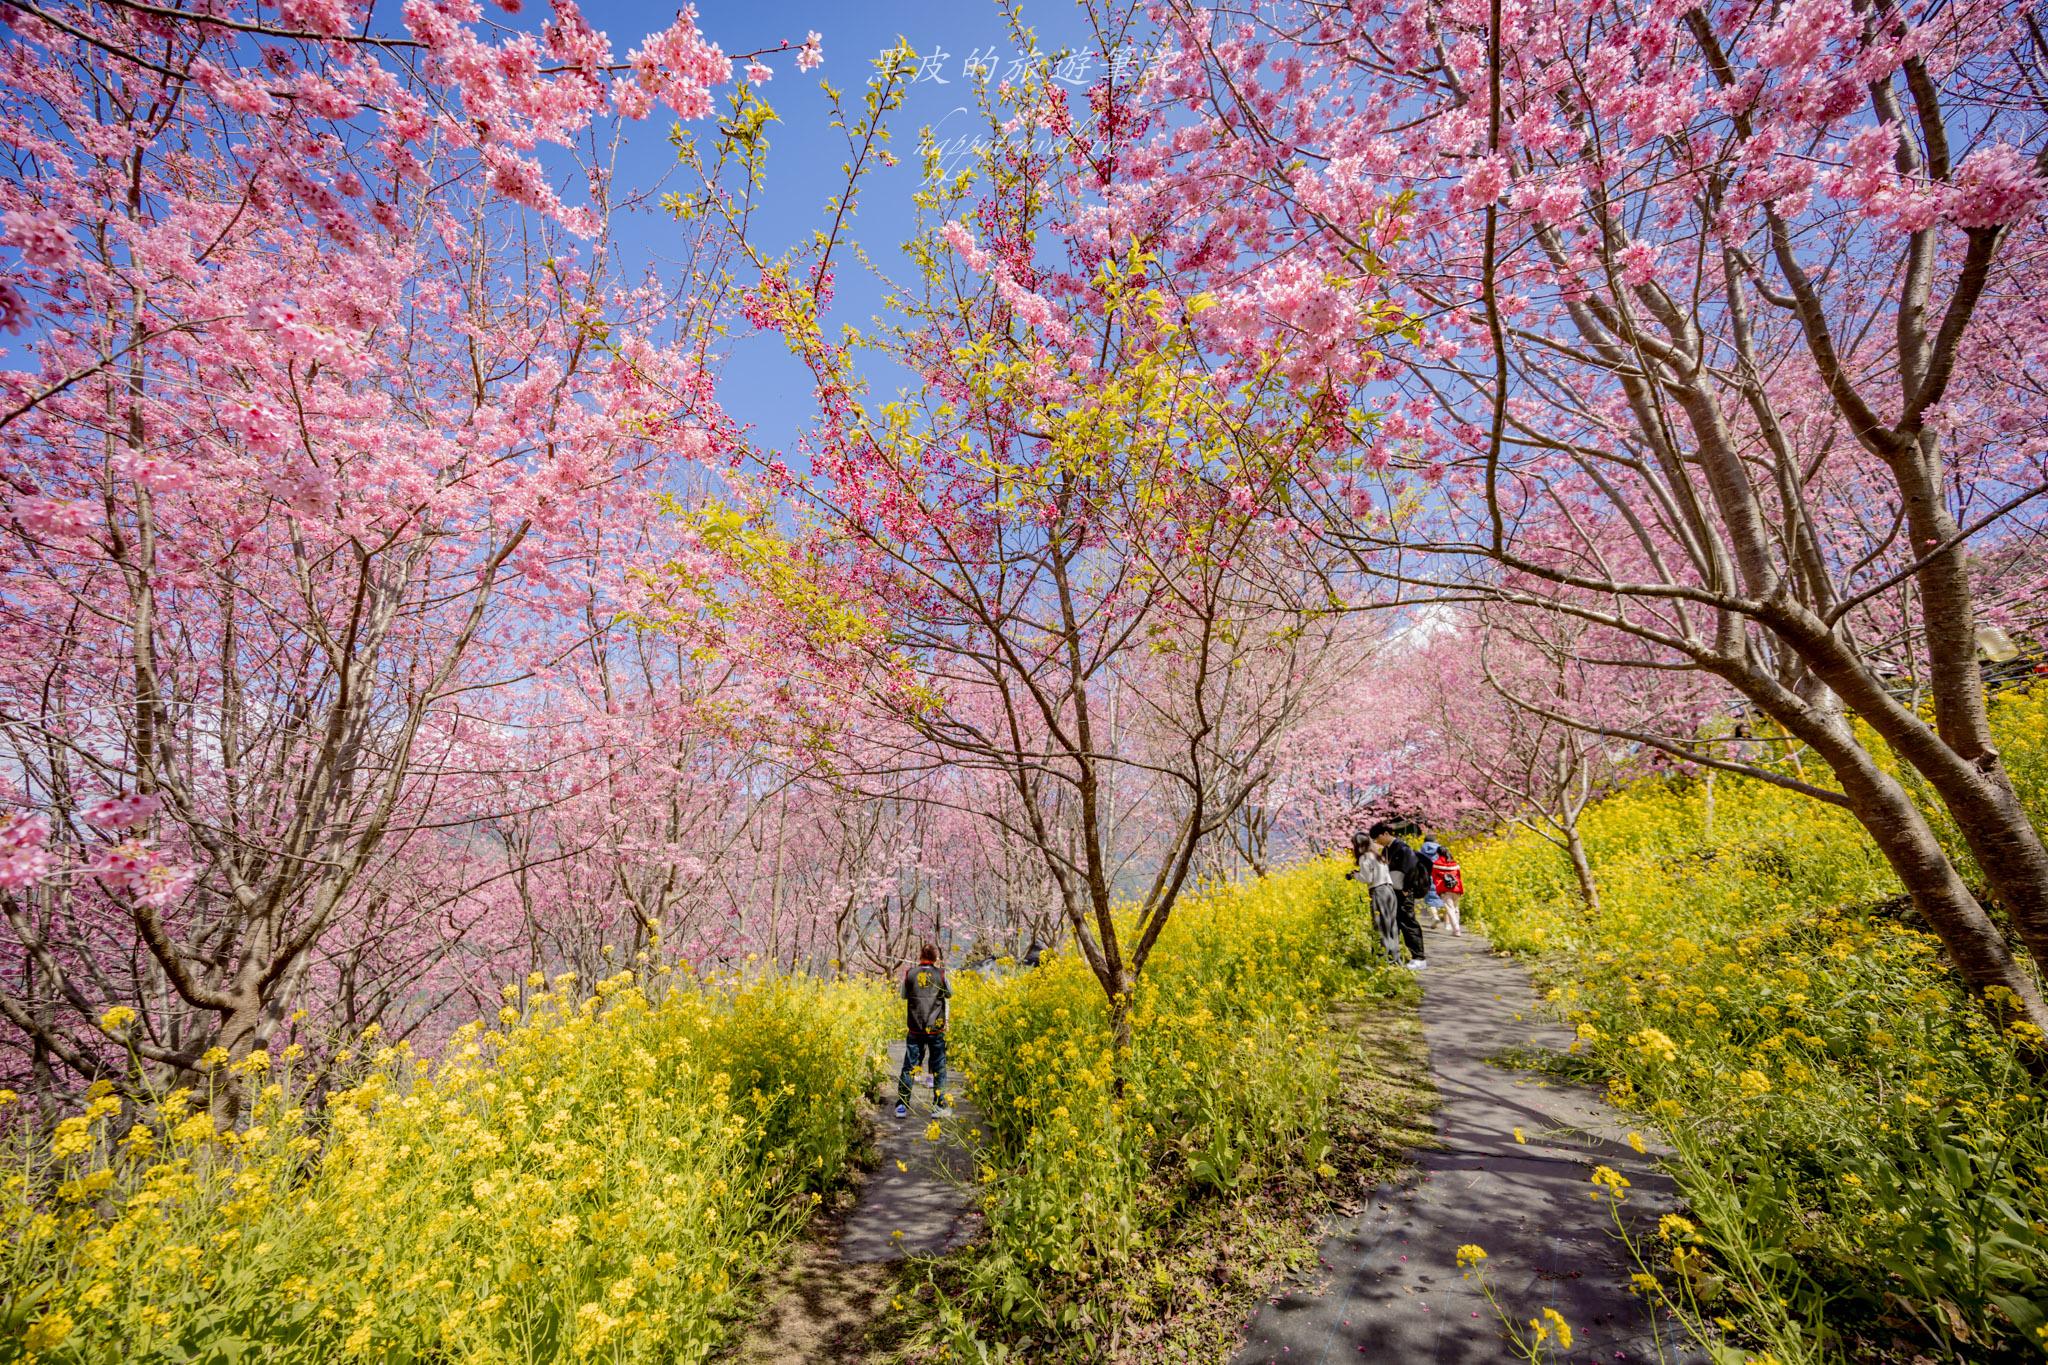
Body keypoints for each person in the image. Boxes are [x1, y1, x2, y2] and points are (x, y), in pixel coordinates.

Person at [897, 942, 953, 1119]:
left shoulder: (910, 974)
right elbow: (949, 994)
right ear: (935, 958)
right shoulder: (941, 975)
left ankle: (901, 1107)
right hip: (935, 1029)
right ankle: (938, 1106)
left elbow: (903, 995)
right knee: (939, 1067)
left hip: (915, 1027)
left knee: (909, 1066)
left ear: (920, 956)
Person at [1372, 821, 1429, 969]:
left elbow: (1412, 869)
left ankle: (1419, 958)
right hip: (1392, 892)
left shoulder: (1403, 848)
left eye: (1377, 838)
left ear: (1385, 834)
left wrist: (1407, 888)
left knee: (1408, 922)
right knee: (1393, 923)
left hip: (1403, 892)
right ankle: (1392, 955)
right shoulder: (1386, 850)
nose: (1376, 842)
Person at [1350, 831, 1403, 966]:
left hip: (1379, 892)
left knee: (1380, 926)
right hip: (1390, 891)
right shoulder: (1378, 856)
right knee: (1391, 925)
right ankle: (1395, 958)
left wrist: (1355, 875)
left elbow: (1367, 878)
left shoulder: (1365, 857)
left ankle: (1381, 960)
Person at [1430, 843, 1466, 936]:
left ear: (1438, 854)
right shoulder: (1454, 863)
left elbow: (1434, 877)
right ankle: (1456, 929)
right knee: (1456, 908)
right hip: (1456, 888)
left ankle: (1457, 930)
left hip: (1445, 889)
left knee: (1450, 909)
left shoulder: (1436, 864)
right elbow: (1459, 876)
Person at [1418, 834, 1446, 928]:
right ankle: (1444, 918)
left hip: (1426, 876)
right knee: (1440, 897)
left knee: (1430, 898)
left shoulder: (1421, 850)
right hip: (1439, 876)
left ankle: (1435, 916)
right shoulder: (1440, 849)